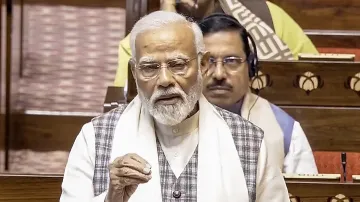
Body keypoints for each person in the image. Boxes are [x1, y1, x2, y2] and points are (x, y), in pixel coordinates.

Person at [60, 11, 290, 202]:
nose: (164, 80)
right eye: (149, 68)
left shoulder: (248, 141)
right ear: (134, 72)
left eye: (177, 64)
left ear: (202, 65)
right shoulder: (96, 138)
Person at [198, 13, 318, 174]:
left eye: (231, 60)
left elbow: (305, 195)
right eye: (208, 61)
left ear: (251, 67)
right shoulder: (168, 122)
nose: (219, 74)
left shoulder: (285, 130)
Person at [114, 0, 318, 88]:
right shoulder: (142, 41)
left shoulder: (267, 17)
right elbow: (126, 106)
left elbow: (317, 76)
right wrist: (169, 20)